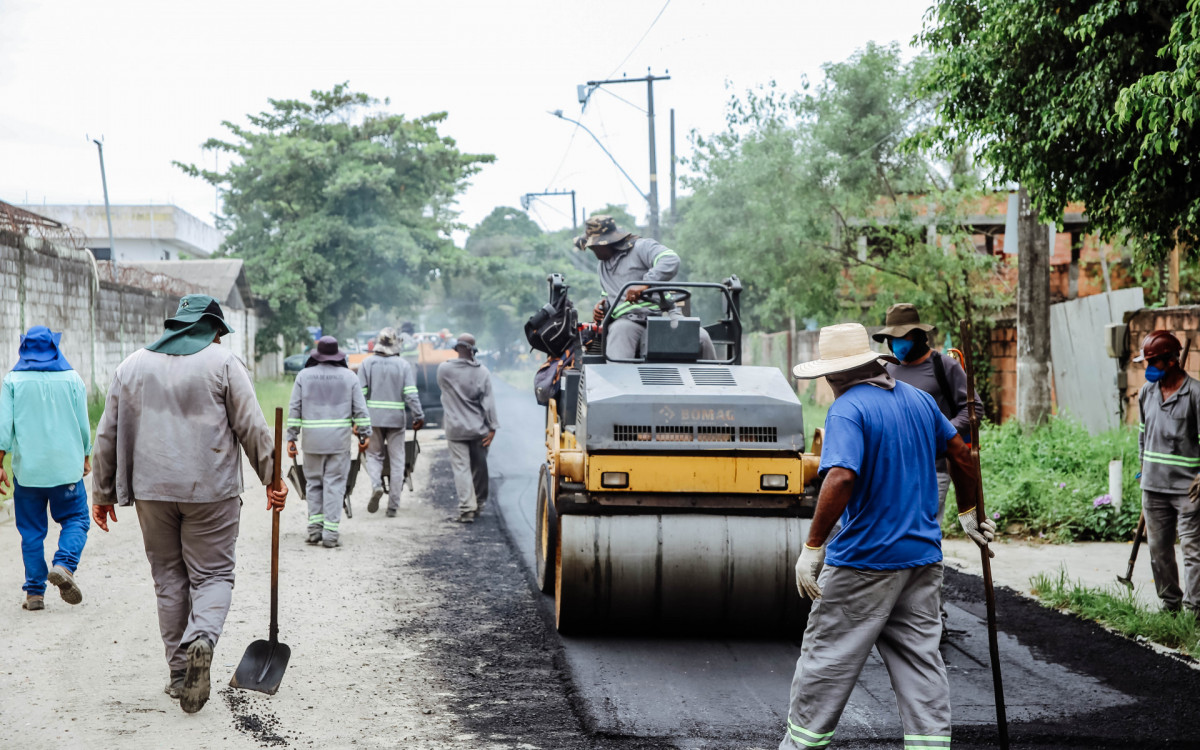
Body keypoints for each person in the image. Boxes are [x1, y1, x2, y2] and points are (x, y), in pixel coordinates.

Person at [781, 323, 995, 750]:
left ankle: (800, 746)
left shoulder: (847, 409)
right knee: (921, 663)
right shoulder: (918, 400)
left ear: (833, 374)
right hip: (921, 559)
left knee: (827, 660)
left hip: (864, 561)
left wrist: (812, 547)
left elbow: (840, 476)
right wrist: (969, 514)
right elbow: (962, 453)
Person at [91, 294, 287, 714]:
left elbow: (106, 434)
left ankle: (180, 673)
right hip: (211, 492)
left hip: (151, 493)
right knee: (213, 575)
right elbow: (252, 426)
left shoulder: (131, 366)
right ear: (214, 330)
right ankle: (202, 639)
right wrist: (273, 478)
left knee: (168, 579)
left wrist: (103, 493)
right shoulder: (224, 364)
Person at [0, 326, 92, 612]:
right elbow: (83, 425)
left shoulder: (12, 380)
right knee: (76, 518)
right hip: (66, 470)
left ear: (23, 348)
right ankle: (64, 564)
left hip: (29, 472)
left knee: (31, 531)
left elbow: (4, 429)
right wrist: (86, 455)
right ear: (54, 347)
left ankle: (35, 594)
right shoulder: (72, 379)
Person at [873, 303, 983, 520]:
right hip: (895, 469)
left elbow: (973, 408)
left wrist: (943, 432)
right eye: (892, 338)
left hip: (934, 468)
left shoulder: (944, 366)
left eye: (902, 337)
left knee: (924, 527)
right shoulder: (886, 369)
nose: (897, 343)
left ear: (918, 336)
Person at [577, 215, 717, 361]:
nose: (593, 250)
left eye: (594, 247)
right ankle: (619, 382)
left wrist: (645, 284)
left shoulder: (641, 247)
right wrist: (602, 306)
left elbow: (670, 259)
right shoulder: (602, 267)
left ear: (606, 243)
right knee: (619, 333)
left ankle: (714, 380)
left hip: (664, 316)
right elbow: (608, 293)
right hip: (628, 321)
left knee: (702, 338)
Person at [1135, 330, 1200, 614]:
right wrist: (1143, 471)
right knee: (1159, 550)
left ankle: (1195, 612)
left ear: (1171, 361)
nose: (1148, 369)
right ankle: (1170, 604)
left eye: (1153, 363)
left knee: (1193, 552)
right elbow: (1142, 435)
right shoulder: (1146, 393)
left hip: (1188, 490)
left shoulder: (1195, 394)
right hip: (1153, 487)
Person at [287, 336, 371, 547]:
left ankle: (315, 530)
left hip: (312, 442)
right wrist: (364, 434)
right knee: (334, 485)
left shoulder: (304, 376)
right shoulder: (349, 377)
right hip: (338, 442)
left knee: (313, 484)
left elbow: (294, 409)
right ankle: (330, 534)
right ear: (337, 355)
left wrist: (291, 437)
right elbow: (360, 410)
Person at [358, 327, 424, 516]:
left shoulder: (367, 364)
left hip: (373, 418)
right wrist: (418, 416)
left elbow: (360, 395)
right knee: (397, 461)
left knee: (374, 456)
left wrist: (358, 419)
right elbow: (411, 394)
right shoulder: (402, 365)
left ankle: (377, 485)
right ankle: (393, 506)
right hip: (396, 419)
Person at [437, 333, 498, 523]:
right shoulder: (482, 372)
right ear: (473, 350)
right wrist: (493, 427)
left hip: (455, 429)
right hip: (478, 429)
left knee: (461, 469)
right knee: (479, 468)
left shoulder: (444, 370)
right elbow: (488, 403)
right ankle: (479, 503)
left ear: (457, 348)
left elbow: (443, 391)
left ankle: (467, 509)